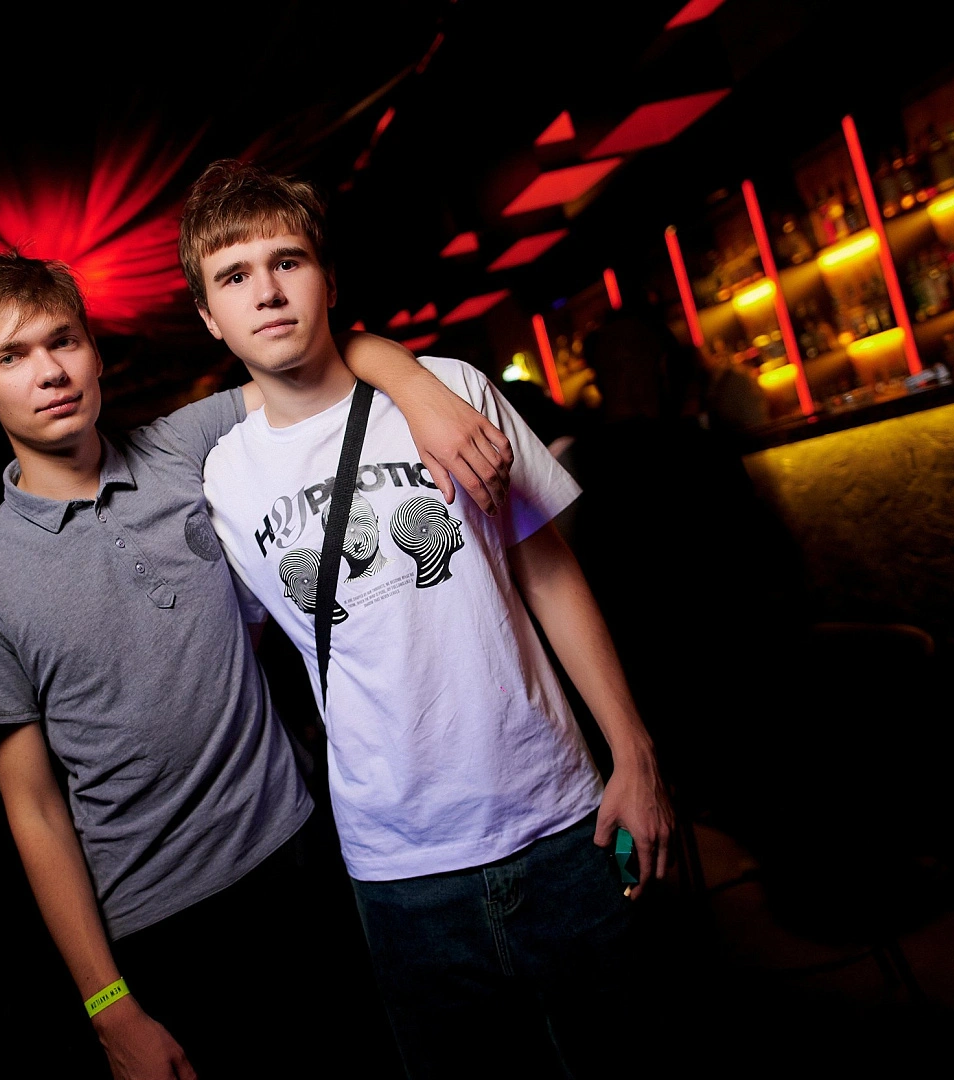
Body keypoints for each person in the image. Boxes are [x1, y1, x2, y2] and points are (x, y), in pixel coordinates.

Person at [0, 253, 513, 1080]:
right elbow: (33, 810)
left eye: (62, 341)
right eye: (10, 356)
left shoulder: (177, 449)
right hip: (163, 923)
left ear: (94, 350)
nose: (49, 372)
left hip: (308, 853)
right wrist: (108, 1005)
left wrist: (420, 390)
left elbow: (318, 356)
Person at [180, 159, 673, 1079]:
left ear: (328, 279)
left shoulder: (451, 390)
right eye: (234, 276)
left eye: (287, 261)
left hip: (559, 821)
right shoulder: (220, 481)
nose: (268, 292)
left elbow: (551, 576)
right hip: (397, 870)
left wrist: (633, 754)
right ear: (210, 315)